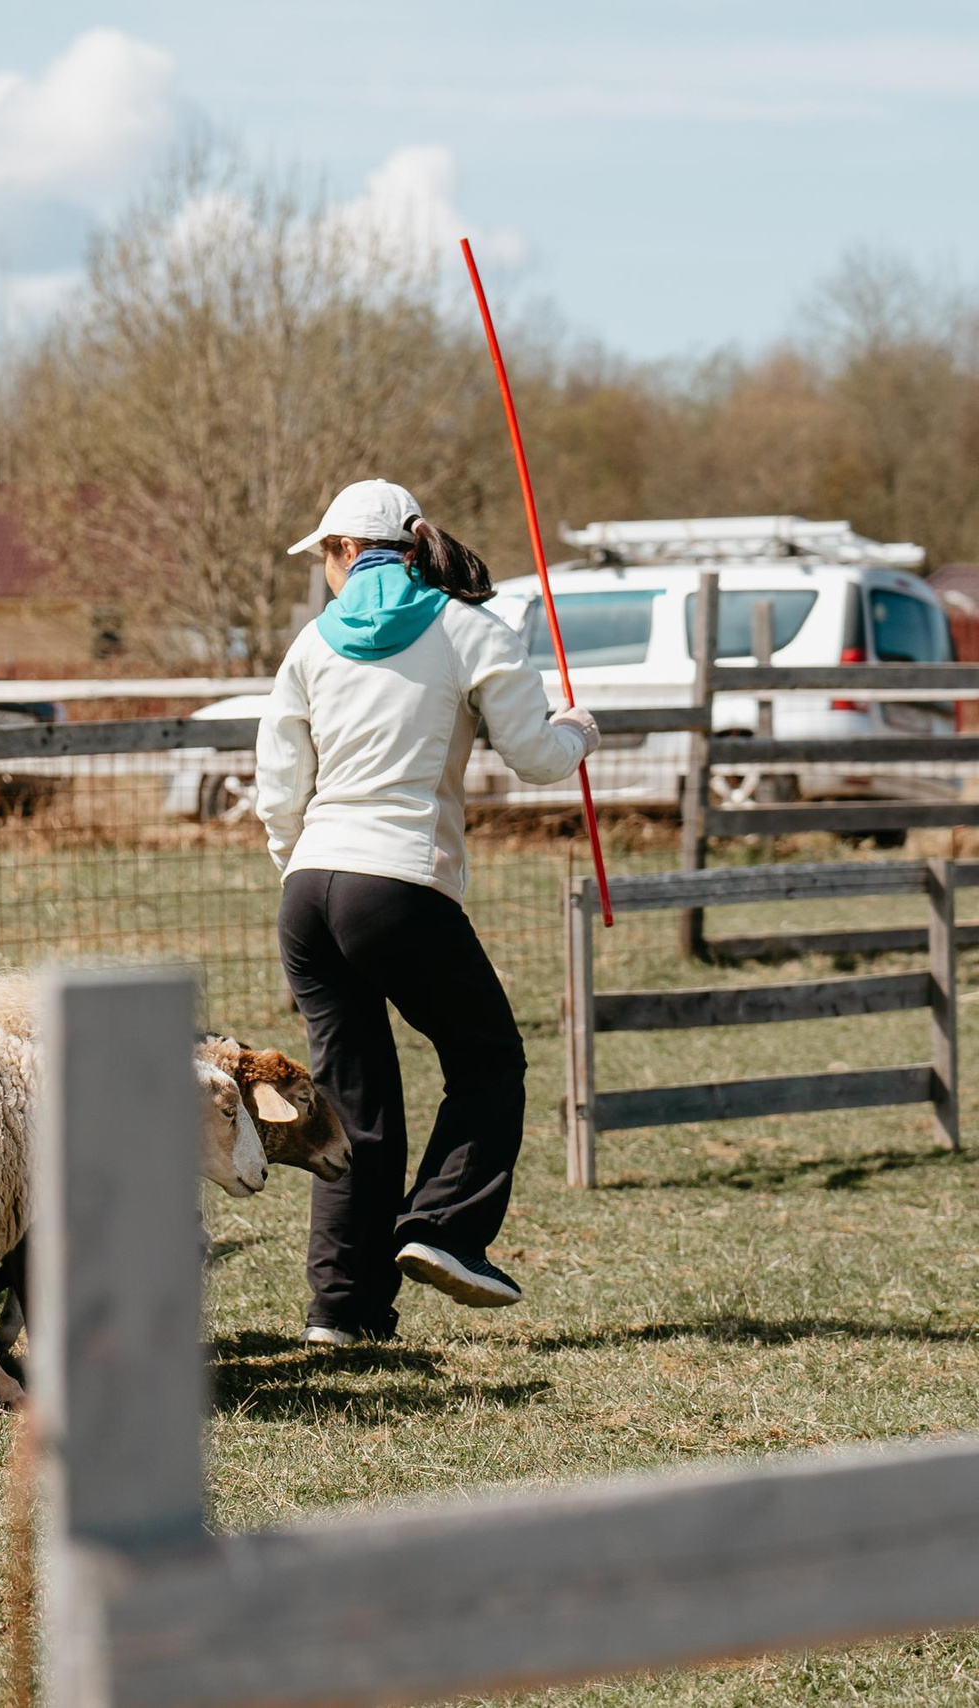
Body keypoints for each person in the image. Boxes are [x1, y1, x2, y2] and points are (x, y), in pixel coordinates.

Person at [254, 478, 599, 1347]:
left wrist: (299, 867)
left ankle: (343, 1311)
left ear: (345, 551)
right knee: (488, 1060)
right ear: (412, 546)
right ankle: (443, 1228)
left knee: (351, 1105)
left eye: (325, 555)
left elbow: (280, 787)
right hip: (397, 885)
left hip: (309, 890)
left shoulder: (310, 644)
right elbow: (538, 758)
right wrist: (580, 732)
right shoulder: (470, 628)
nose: (326, 570)